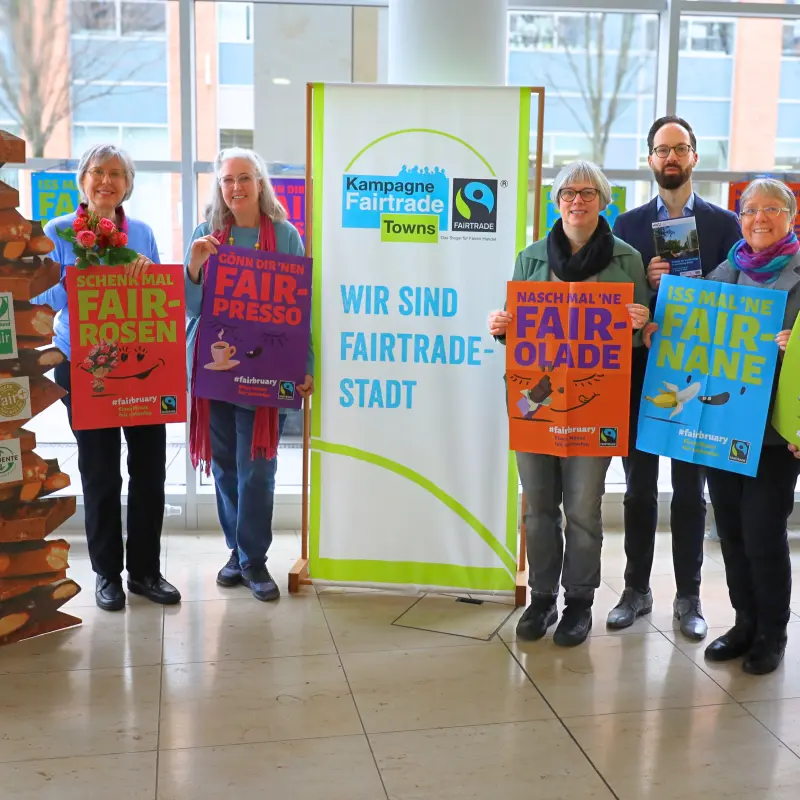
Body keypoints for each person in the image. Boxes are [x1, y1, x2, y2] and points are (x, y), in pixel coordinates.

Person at [488, 160, 651, 647]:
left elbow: (638, 343)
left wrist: (642, 323)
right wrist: (503, 329)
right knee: (539, 506)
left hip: (595, 402)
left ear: (603, 201)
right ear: (556, 202)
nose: (576, 201)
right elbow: (521, 334)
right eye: (567, 193)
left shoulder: (627, 259)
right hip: (536, 403)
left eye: (587, 192)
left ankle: (579, 601)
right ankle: (542, 599)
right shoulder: (530, 257)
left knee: (583, 508)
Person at [607, 116, 741, 641]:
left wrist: (703, 287)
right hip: (640, 373)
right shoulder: (625, 225)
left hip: (700, 375)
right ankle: (635, 590)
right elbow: (611, 302)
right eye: (662, 150)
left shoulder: (726, 224)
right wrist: (644, 282)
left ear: (694, 157)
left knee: (690, 491)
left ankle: (689, 596)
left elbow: (743, 297)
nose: (671, 158)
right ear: (649, 159)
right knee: (639, 489)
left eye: (680, 149)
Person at [32, 144, 180, 611]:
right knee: (99, 472)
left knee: (150, 470)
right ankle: (107, 575)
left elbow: (159, 296)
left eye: (117, 174)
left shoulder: (143, 232)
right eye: (99, 172)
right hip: (83, 366)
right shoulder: (57, 232)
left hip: (141, 367)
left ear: (128, 184)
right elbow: (46, 300)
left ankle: (145, 572)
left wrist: (148, 274)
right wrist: (86, 272)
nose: (107, 181)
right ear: (83, 179)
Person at [185, 147, 313, 602]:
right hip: (215, 370)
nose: (235, 187)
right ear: (219, 188)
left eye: (244, 178)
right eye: (227, 180)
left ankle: (254, 560)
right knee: (224, 467)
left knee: (257, 468)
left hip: (266, 370)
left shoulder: (285, 235)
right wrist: (196, 264)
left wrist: (306, 366)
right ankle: (237, 553)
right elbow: (192, 308)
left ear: (260, 183)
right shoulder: (206, 235)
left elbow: (300, 310)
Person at [698, 178, 800, 675]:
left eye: (772, 209)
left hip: (778, 435)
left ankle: (771, 632)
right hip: (724, 425)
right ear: (739, 219)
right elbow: (689, 335)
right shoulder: (724, 272)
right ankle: (743, 622)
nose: (759, 218)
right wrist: (651, 324)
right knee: (732, 531)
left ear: (790, 217)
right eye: (750, 210)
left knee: (763, 532)